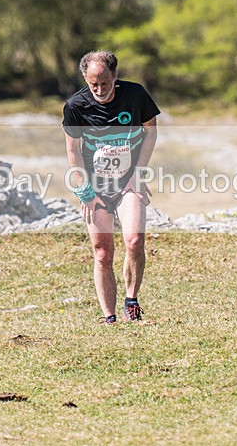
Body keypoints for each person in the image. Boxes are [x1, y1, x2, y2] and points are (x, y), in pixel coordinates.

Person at [62, 51, 160, 324]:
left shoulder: (136, 95)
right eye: (93, 84)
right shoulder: (75, 106)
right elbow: (73, 150)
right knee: (103, 252)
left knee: (135, 240)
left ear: (115, 76)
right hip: (95, 186)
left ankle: (132, 301)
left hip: (128, 182)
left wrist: (138, 173)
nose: (99, 90)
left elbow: (150, 131)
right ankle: (109, 317)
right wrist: (84, 191)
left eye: (105, 83)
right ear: (85, 78)